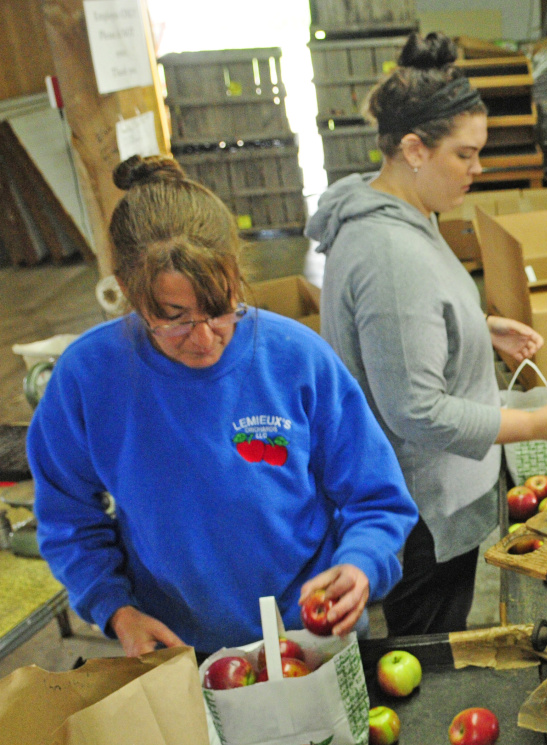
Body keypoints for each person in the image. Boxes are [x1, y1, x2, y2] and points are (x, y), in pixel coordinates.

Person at [27, 155, 418, 657]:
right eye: (174, 319)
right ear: (126, 291)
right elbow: (66, 518)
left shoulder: (296, 359)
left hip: (310, 640)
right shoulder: (88, 378)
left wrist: (363, 561)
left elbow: (378, 499)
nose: (204, 338)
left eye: (221, 308)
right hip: (177, 651)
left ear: (235, 274)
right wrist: (115, 609)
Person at [306, 32, 547, 637]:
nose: (479, 168)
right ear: (415, 149)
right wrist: (537, 424)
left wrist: (477, 327)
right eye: (465, 155)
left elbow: (401, 329)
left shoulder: (397, 214)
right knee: (426, 650)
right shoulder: (392, 253)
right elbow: (415, 408)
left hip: (429, 493)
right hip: (423, 509)